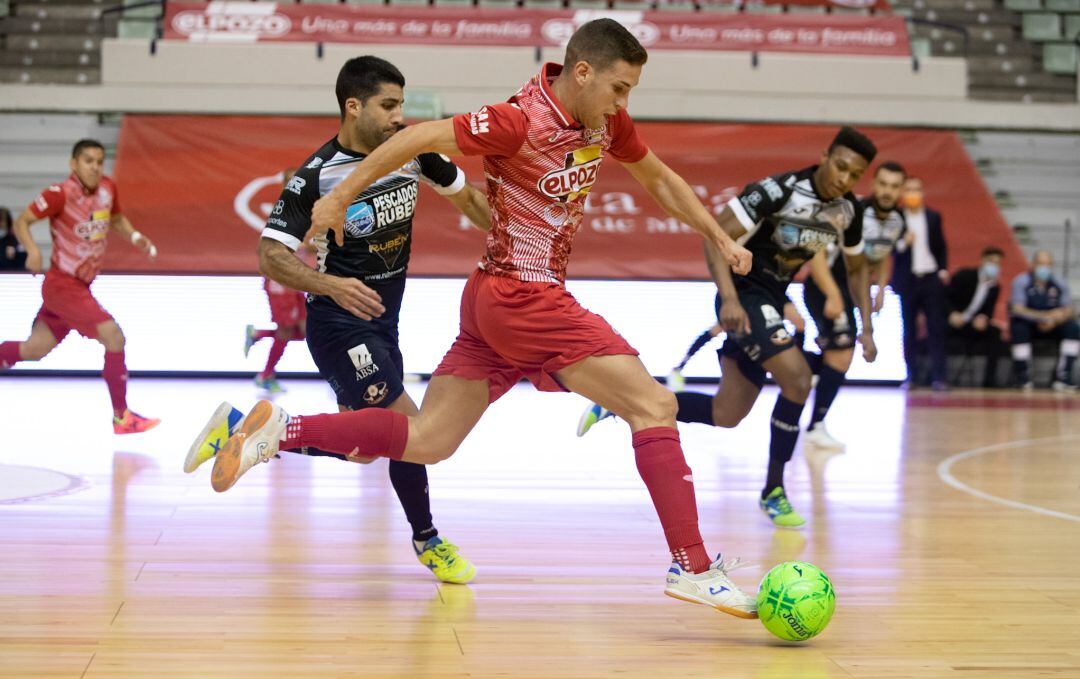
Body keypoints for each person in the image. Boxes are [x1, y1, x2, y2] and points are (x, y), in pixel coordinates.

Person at [201, 21, 761, 618]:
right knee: (655, 405)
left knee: (427, 442)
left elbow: (660, 181)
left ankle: (276, 431)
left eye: (630, 91)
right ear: (582, 72)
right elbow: (414, 139)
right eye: (619, 88)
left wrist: (717, 238)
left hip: (490, 301)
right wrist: (339, 196)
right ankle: (693, 566)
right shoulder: (516, 119)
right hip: (525, 298)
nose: (624, 103)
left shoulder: (605, 122)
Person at [185, 56, 492, 583]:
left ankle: (245, 429)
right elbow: (270, 255)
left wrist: (519, 236)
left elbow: (467, 197)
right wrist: (332, 285)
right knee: (412, 430)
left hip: (384, 323)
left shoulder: (413, 152)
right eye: (388, 106)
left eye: (402, 105)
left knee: (363, 452)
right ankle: (428, 540)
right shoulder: (316, 177)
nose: (400, 116)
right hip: (338, 324)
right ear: (354, 106)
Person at [582, 127, 878, 529]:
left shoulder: (849, 211)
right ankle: (774, 490)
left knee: (727, 412)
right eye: (840, 166)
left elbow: (858, 269)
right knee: (797, 379)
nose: (844, 179)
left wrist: (868, 328)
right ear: (825, 156)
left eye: (854, 174)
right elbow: (714, 234)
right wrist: (730, 299)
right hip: (742, 293)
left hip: (772, 298)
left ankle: (624, 399)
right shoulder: (777, 191)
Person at [0, 139, 160, 433]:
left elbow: (115, 218)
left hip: (79, 287)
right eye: (88, 161)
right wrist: (34, 252)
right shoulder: (59, 194)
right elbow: (22, 221)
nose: (95, 167)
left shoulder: (108, 189)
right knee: (113, 336)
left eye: (99, 161)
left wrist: (135, 236)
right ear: (74, 164)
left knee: (34, 349)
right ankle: (121, 417)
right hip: (63, 285)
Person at [800, 160, 906, 451]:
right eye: (883, 184)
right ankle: (815, 426)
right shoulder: (853, 212)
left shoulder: (899, 220)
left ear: (900, 190)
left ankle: (802, 372)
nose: (887, 191)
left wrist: (881, 288)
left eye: (894, 186)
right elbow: (817, 251)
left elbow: (882, 255)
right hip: (825, 287)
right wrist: (832, 293)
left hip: (850, 292)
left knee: (838, 356)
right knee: (842, 354)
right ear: (873, 185)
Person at [243, 168, 310, 394]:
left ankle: (258, 335)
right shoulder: (281, 213)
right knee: (286, 330)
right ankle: (265, 374)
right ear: (284, 185)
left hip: (296, 280)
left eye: (299, 181)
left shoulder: (303, 209)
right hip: (281, 282)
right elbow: (263, 248)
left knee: (306, 330)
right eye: (291, 182)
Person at [661, 301, 805, 394]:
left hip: (771, 291)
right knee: (718, 329)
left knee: (799, 322)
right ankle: (679, 368)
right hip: (747, 294)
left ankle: (798, 367)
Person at [893, 176, 949, 390]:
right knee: (909, 329)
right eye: (909, 190)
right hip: (908, 279)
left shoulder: (933, 216)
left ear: (923, 193)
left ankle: (939, 377)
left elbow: (941, 246)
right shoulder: (895, 217)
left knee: (936, 327)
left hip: (930, 277)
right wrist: (902, 243)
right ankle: (911, 376)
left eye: (917, 190)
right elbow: (887, 248)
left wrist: (942, 269)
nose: (913, 194)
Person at [1009, 250, 1078, 391]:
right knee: (1018, 327)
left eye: (1048, 265)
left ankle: (1063, 376)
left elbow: (1070, 310)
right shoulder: (1021, 281)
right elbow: (1017, 309)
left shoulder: (1059, 283)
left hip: (1052, 325)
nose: (1044, 268)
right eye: (1041, 264)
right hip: (1029, 325)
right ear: (1033, 264)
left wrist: (1055, 319)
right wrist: (1044, 316)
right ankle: (1022, 376)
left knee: (1073, 328)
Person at [945, 245, 1007, 388]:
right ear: (983, 260)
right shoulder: (964, 275)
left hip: (972, 324)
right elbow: (945, 298)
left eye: (997, 263)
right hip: (953, 320)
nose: (994, 266)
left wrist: (983, 318)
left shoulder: (995, 287)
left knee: (995, 333)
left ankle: (989, 381)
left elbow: (988, 311)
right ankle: (939, 376)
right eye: (991, 261)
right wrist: (952, 313)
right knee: (937, 330)